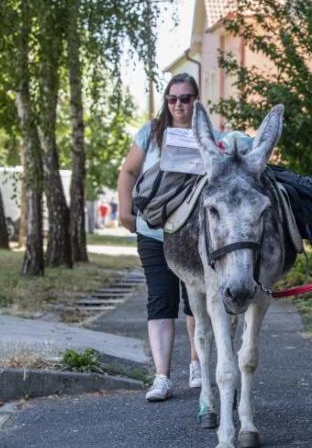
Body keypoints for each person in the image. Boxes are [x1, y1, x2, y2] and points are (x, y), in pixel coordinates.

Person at [117, 73, 203, 402]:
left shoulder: (207, 132)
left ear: (196, 99)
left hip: (194, 234)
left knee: (195, 299)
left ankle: (197, 364)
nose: (179, 104)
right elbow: (128, 172)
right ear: (166, 102)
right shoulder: (150, 133)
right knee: (160, 300)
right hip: (154, 232)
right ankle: (162, 377)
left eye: (186, 98)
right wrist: (126, 210)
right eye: (172, 99)